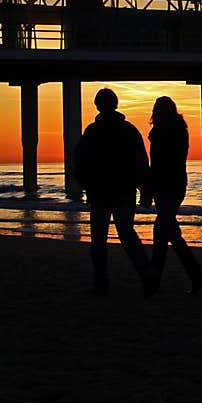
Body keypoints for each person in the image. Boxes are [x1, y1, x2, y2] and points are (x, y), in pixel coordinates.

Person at [75, 88, 153, 296]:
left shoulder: (92, 131)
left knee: (98, 240)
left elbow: (80, 161)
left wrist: (84, 184)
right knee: (127, 235)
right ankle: (147, 277)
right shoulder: (128, 129)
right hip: (123, 191)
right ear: (115, 104)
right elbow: (141, 162)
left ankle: (101, 285)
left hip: (100, 192)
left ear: (98, 106)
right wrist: (144, 189)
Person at [140, 96, 202, 296]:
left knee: (165, 232)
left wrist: (147, 191)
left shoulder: (160, 134)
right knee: (165, 232)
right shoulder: (180, 131)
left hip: (164, 186)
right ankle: (162, 280)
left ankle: (191, 277)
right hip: (177, 185)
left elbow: (156, 165)